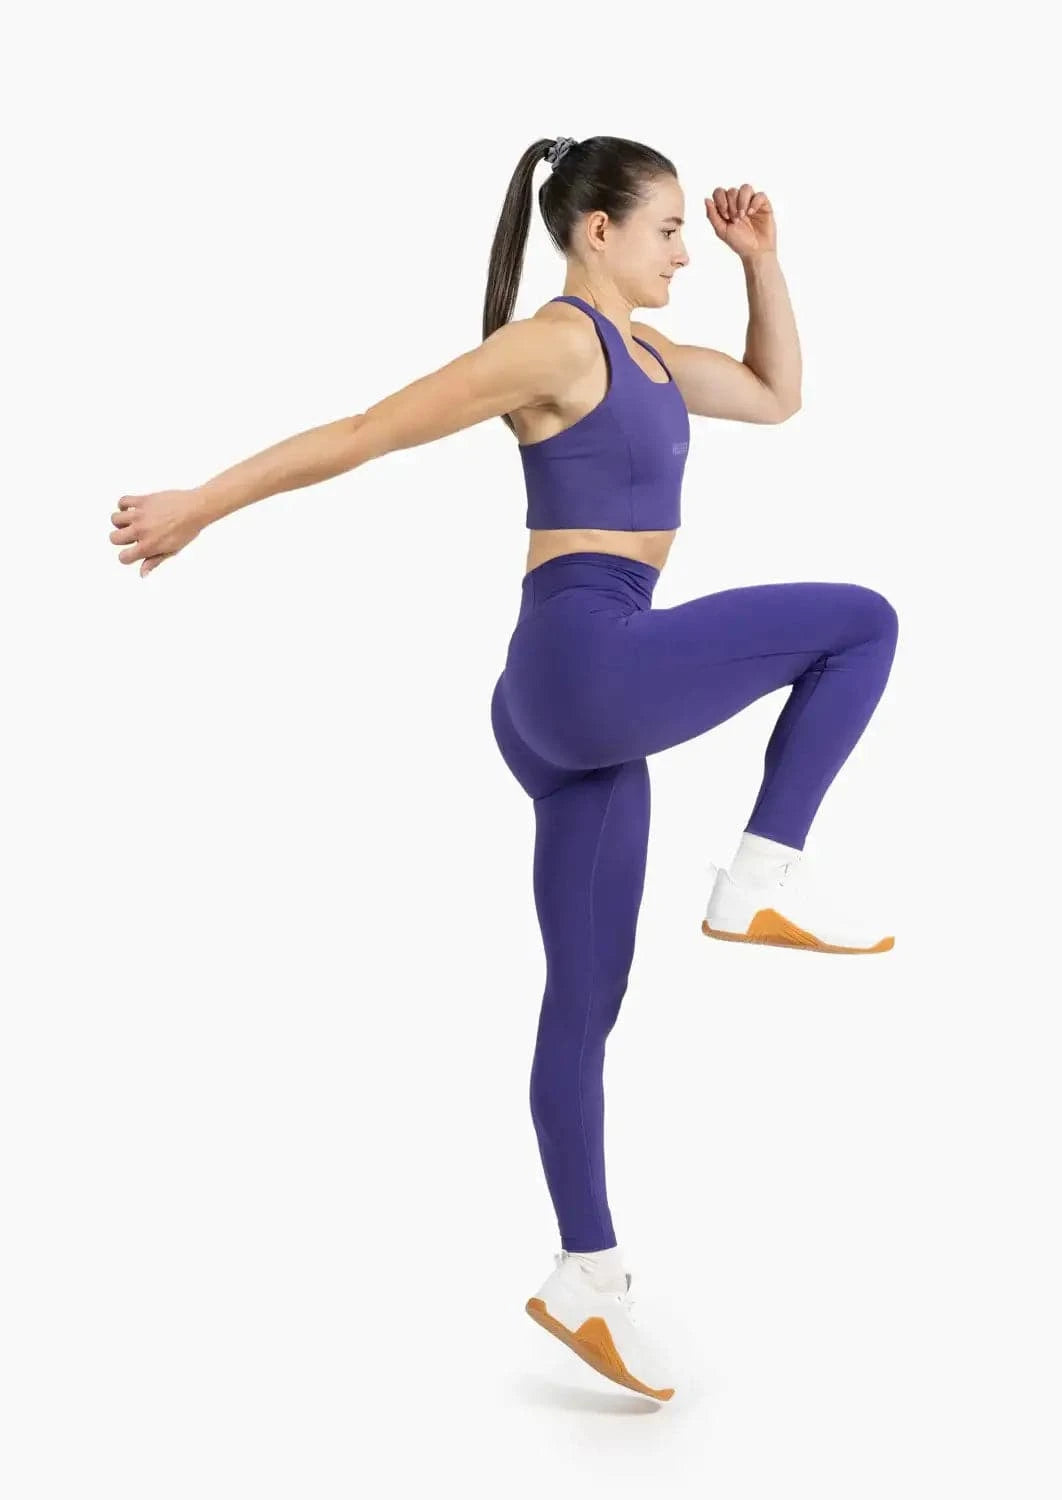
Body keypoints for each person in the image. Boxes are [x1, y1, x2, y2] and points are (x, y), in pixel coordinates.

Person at [108, 133, 899, 1404]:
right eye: (671, 231)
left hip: (564, 698)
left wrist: (765, 260)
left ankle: (586, 1275)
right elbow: (366, 431)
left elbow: (775, 394)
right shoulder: (557, 346)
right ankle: (760, 874)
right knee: (859, 623)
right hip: (588, 662)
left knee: (585, 1000)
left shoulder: (650, 354)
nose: (685, 251)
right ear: (599, 231)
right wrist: (202, 501)